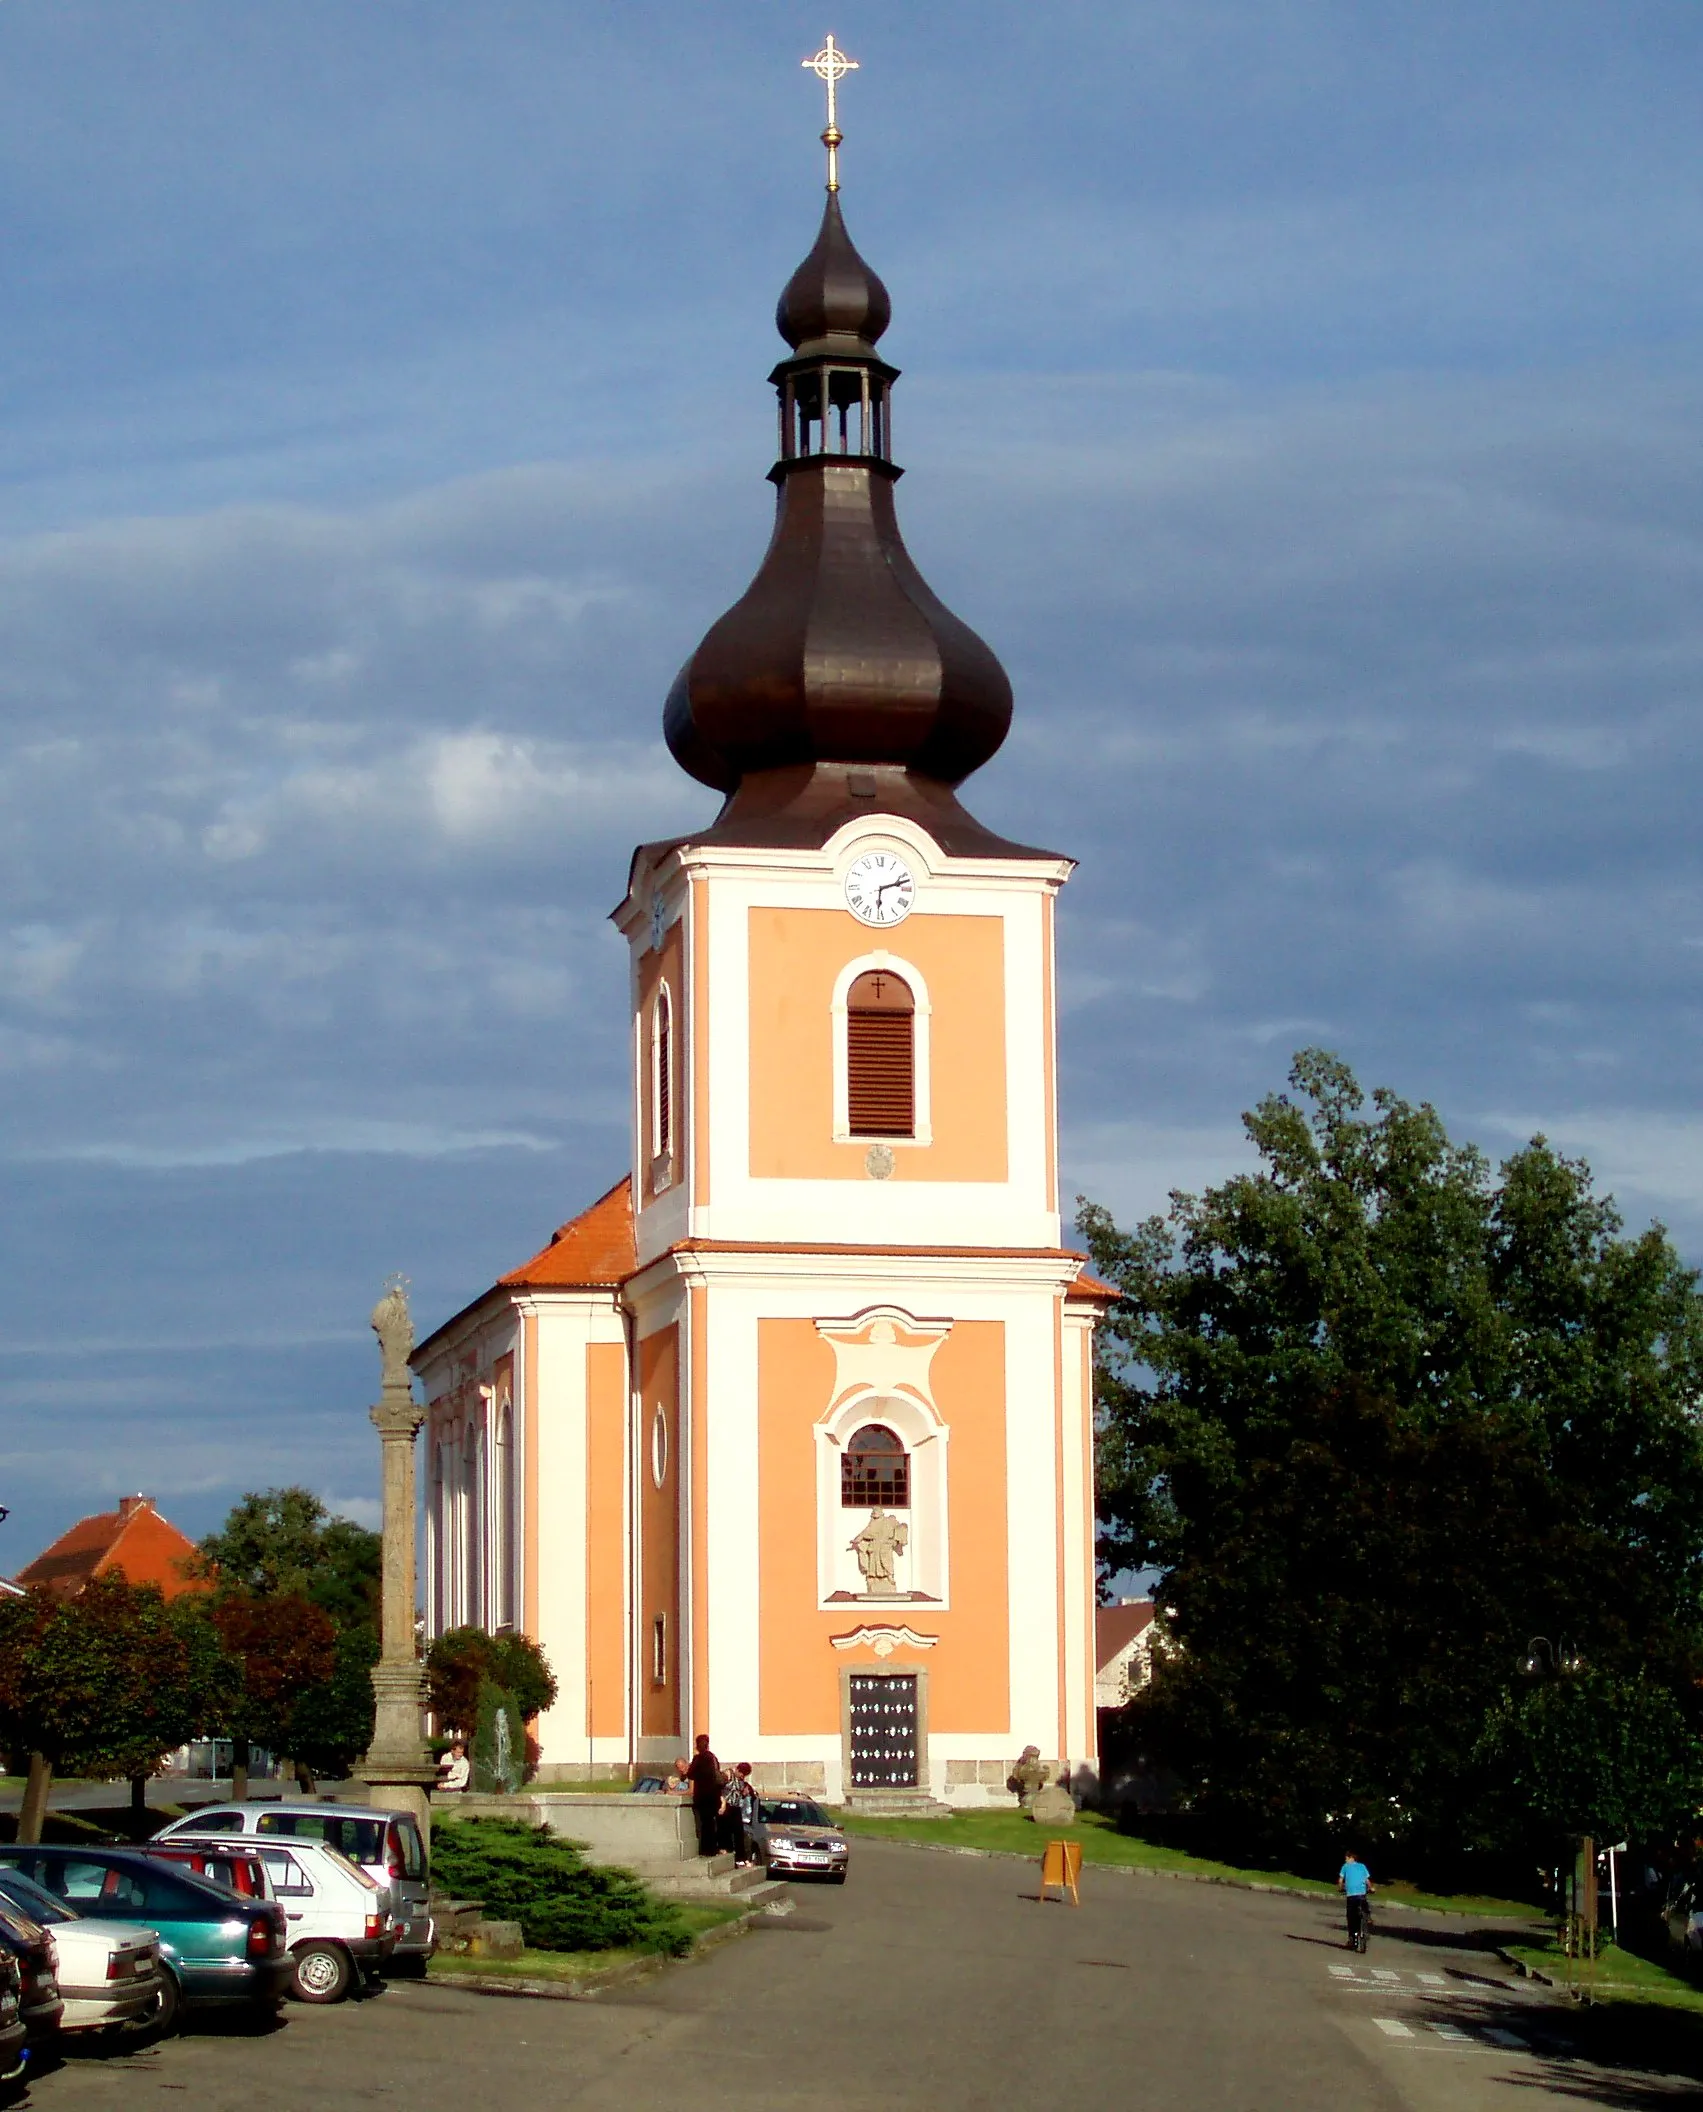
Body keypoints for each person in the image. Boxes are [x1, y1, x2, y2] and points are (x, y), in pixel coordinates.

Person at [687, 1734, 722, 1857]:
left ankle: (706, 1849)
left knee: (703, 1824)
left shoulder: (699, 1758)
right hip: (714, 1795)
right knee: (711, 1823)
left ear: (698, 1745)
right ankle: (712, 1848)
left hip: (702, 1796)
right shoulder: (713, 1758)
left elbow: (690, 1774)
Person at [724, 1761, 758, 1867]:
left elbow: (740, 1794)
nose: (742, 1776)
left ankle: (740, 1857)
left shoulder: (741, 1781)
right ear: (738, 1770)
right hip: (727, 1805)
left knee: (739, 1832)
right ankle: (728, 1853)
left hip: (736, 1806)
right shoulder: (728, 1774)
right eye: (742, 1774)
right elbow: (721, 1789)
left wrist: (744, 1794)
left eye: (744, 1775)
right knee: (727, 1832)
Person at [1338, 1849, 1373, 1948]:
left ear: (1351, 1858)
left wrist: (1340, 1888)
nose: (1345, 1860)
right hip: (1361, 1894)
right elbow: (1367, 1880)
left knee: (1351, 1918)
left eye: (1346, 1858)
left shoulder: (1345, 1867)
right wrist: (1371, 1888)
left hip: (1351, 1895)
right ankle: (1368, 1918)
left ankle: (1352, 1940)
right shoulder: (1362, 1866)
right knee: (1364, 1905)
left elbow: (1340, 1880)